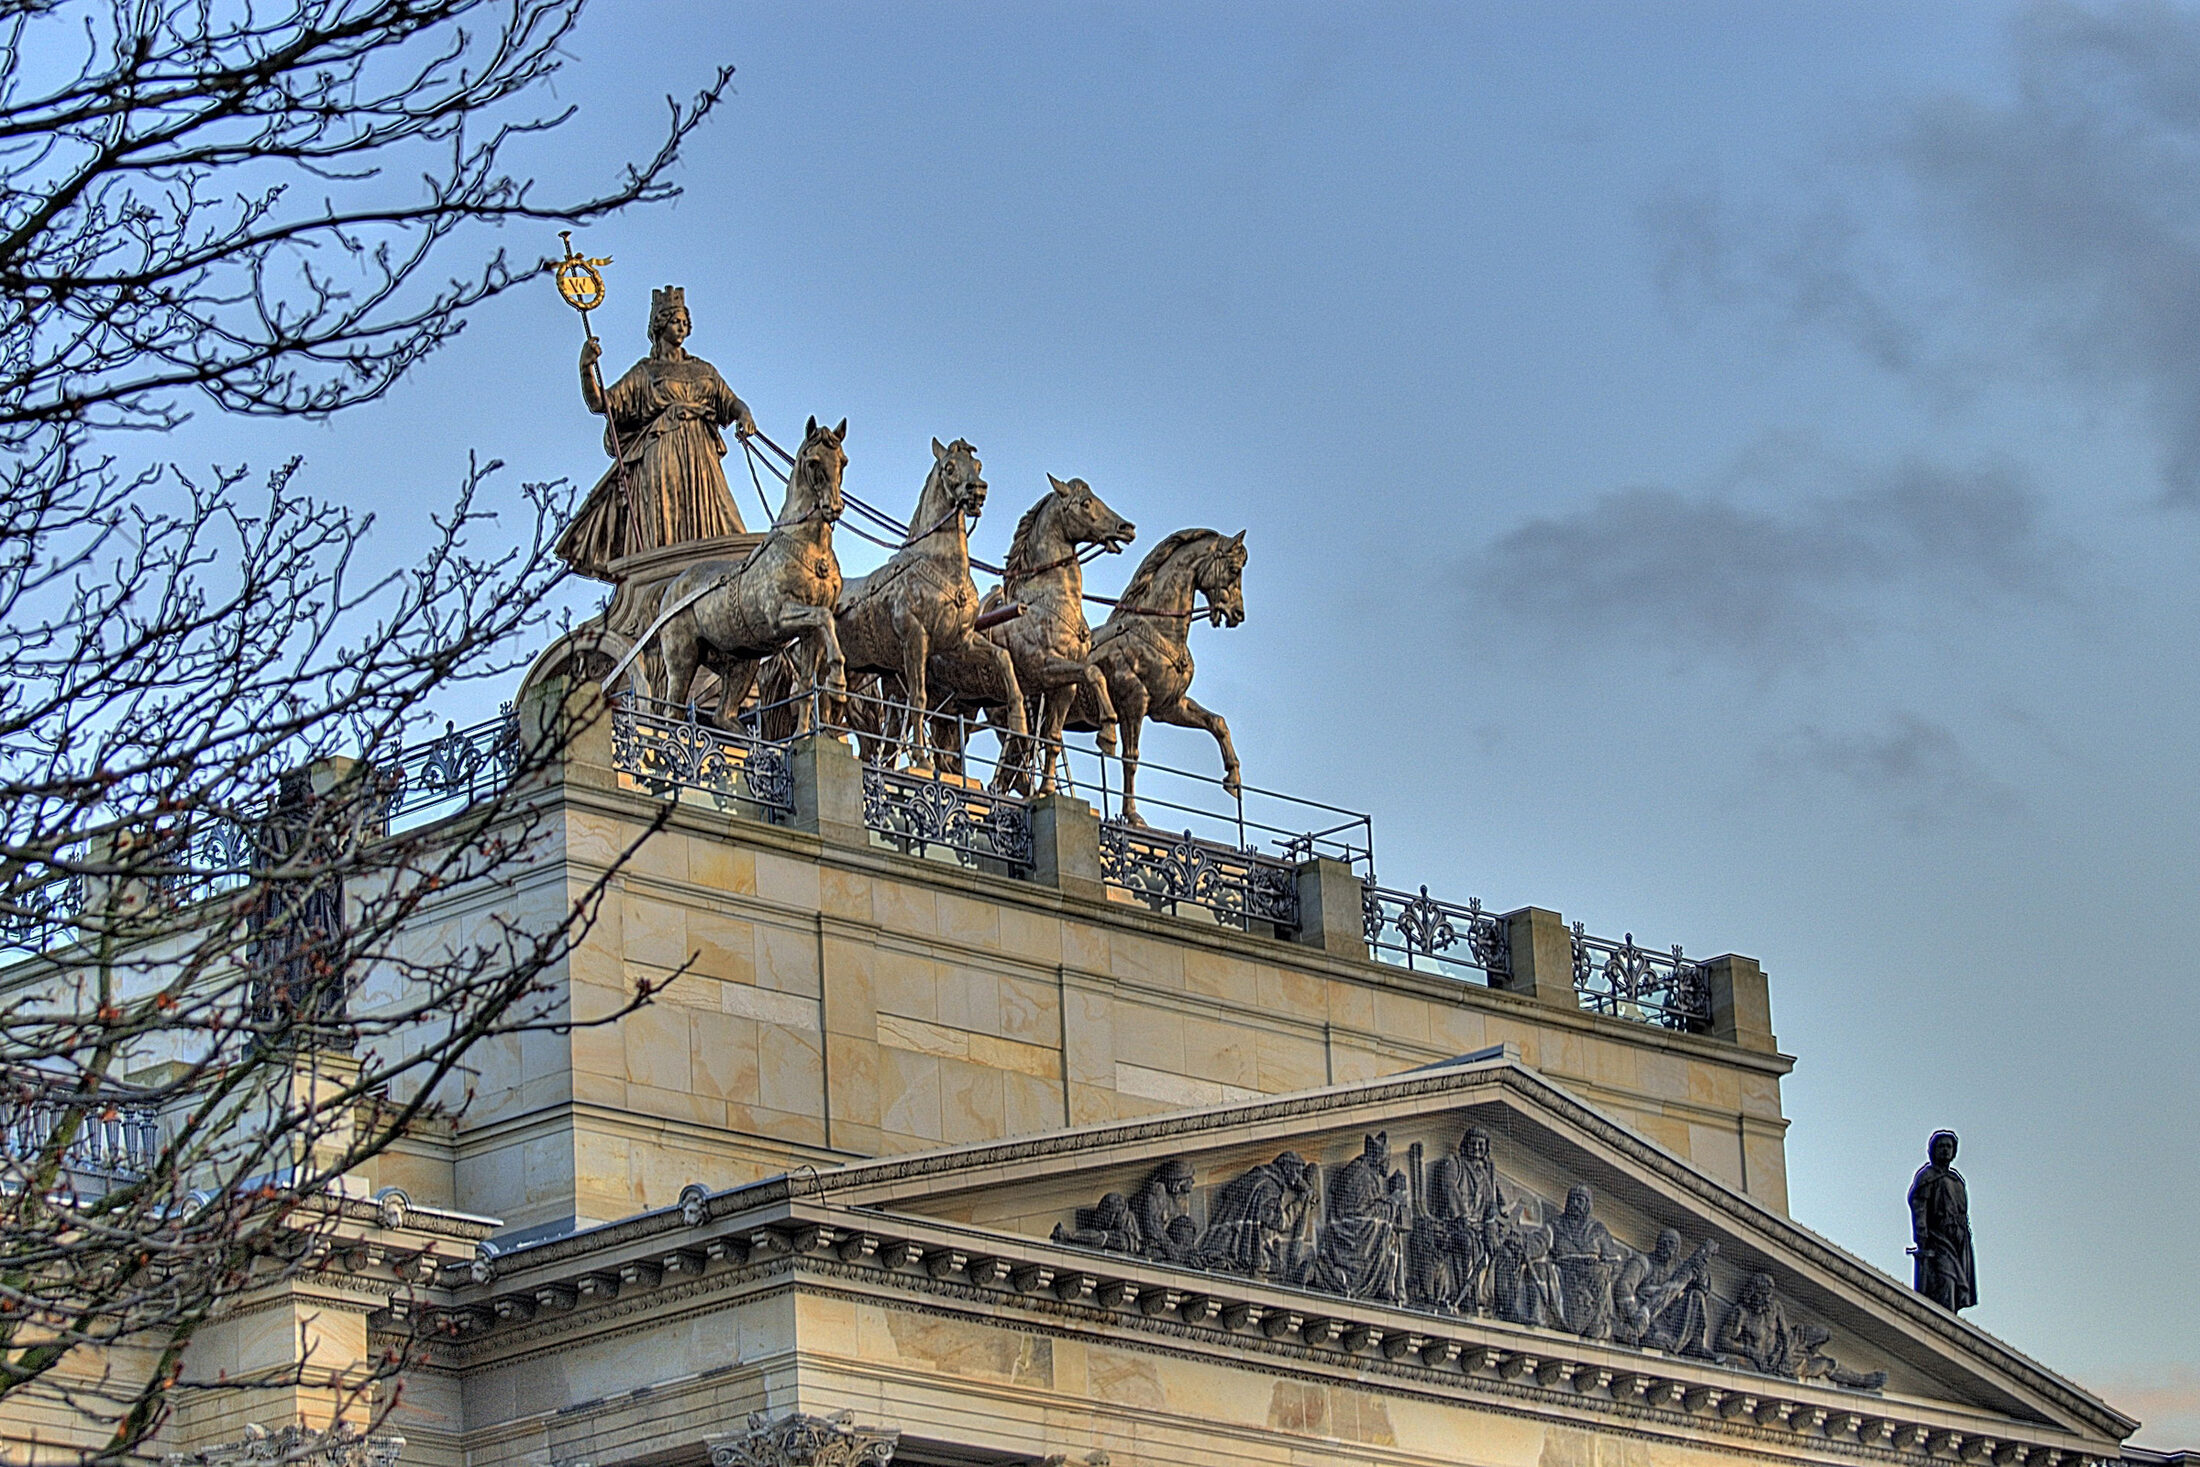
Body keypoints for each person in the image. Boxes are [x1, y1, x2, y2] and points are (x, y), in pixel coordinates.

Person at [555, 285, 757, 578]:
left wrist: (744, 414)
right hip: (662, 449)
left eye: (685, 322)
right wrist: (586, 368)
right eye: (676, 320)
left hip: (700, 452)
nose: (682, 327)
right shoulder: (645, 372)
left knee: (717, 511)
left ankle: (718, 569)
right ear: (660, 324)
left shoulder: (704, 370)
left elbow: (729, 400)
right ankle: (660, 573)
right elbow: (602, 404)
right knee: (664, 512)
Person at [1305, 1133, 1410, 1306]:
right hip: (1352, 1242)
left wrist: (1388, 1205)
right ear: (1378, 1157)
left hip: (1363, 1236)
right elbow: (1360, 1215)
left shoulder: (1368, 1174)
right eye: (1386, 1158)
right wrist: (1392, 1203)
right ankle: (1381, 1288)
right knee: (1388, 1236)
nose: (1388, 1162)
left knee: (1391, 1236)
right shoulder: (1360, 1173)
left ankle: (1391, 1291)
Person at [1415, 1125, 1505, 1313]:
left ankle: (1499, 1304)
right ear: (1466, 1145)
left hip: (1478, 1228)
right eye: (1473, 1143)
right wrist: (1461, 1216)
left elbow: (1492, 1204)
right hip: (1454, 1224)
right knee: (1467, 1243)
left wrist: (1491, 1225)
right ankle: (1468, 1297)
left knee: (1503, 1250)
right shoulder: (1453, 1162)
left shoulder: (1485, 1174)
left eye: (1481, 1145)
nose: (1477, 1148)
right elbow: (1449, 1188)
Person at [1195, 1151, 1317, 1281]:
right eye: (1297, 1172)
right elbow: (1277, 1221)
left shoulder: (1259, 1178)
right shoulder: (1269, 1186)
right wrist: (1300, 1203)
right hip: (1249, 1249)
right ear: (1287, 1168)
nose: (1299, 1178)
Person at [1908, 1130, 1977, 1312]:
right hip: (1937, 1239)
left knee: (1956, 1287)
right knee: (1946, 1279)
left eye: (1949, 1147)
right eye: (1941, 1146)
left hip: (1958, 1242)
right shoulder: (1927, 1176)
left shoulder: (1957, 1181)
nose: (1945, 1150)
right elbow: (1919, 1204)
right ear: (1933, 1150)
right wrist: (1921, 1233)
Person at [1128, 1160, 1197, 1263]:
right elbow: (1152, 1226)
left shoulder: (1175, 1201)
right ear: (1179, 1179)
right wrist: (1171, 1248)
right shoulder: (1158, 1189)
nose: (1193, 1181)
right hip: (1141, 1240)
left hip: (1161, 1244)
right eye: (1189, 1178)